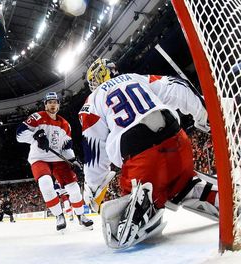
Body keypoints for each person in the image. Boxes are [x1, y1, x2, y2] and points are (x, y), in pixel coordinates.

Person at [80, 58, 218, 250]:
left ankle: (144, 203)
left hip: (142, 157)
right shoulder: (138, 78)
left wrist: (94, 188)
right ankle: (194, 188)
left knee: (118, 232)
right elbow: (178, 87)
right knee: (182, 184)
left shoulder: (92, 101)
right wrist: (204, 115)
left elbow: (94, 149)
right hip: (178, 142)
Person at [16, 91, 93, 232]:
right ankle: (59, 215)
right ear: (45, 105)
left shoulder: (65, 125)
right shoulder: (37, 117)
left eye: (55, 102)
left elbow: (67, 147)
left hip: (59, 159)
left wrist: (73, 161)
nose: (52, 105)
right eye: (49, 102)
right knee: (46, 185)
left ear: (58, 105)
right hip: (39, 158)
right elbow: (19, 135)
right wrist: (36, 136)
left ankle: (81, 215)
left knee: (74, 189)